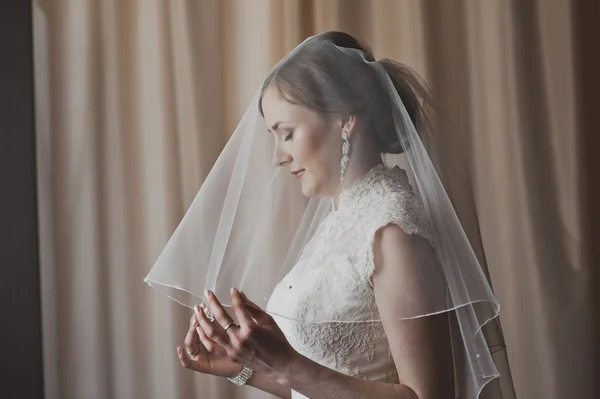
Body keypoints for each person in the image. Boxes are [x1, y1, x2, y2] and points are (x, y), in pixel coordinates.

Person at [145, 31, 512, 399]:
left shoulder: (393, 231)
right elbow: (325, 380)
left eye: (286, 134)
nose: (278, 157)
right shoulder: (340, 223)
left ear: (344, 120)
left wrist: (288, 364)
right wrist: (243, 370)